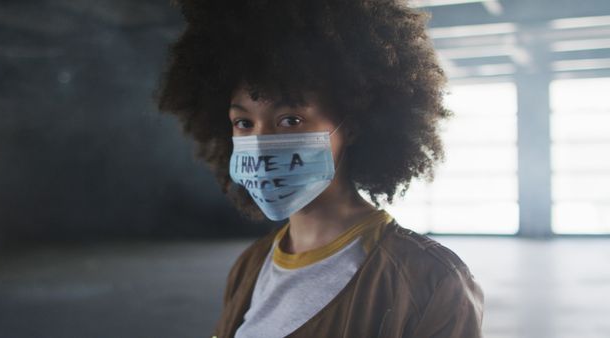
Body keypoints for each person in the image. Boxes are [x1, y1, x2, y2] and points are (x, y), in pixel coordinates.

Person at [155, 0, 485, 337]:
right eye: (243, 122)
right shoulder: (250, 265)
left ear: (352, 125)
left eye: (290, 120)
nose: (260, 141)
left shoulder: (430, 280)